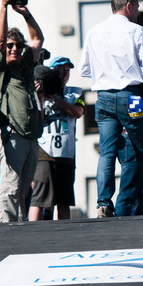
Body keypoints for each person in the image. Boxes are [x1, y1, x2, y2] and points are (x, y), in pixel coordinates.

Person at [79, 0, 143, 218]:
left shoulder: (94, 31)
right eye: (136, 7)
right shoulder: (137, 31)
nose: (137, 12)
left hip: (103, 97)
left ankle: (103, 202)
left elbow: (85, 68)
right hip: (131, 96)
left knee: (106, 153)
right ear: (128, 6)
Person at [0, 0, 44, 222]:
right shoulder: (1, 69)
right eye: (11, 46)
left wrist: (25, 13)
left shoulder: (25, 65)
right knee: (10, 184)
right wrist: (3, 8)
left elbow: (38, 39)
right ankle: (4, 229)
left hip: (31, 135)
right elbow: (0, 41)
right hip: (12, 133)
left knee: (23, 189)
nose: (14, 49)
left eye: (17, 46)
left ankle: (18, 230)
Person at [29, 57, 85, 220]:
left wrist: (55, 98)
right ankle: (33, 236)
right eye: (60, 70)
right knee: (39, 198)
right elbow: (37, 120)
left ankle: (65, 239)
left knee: (64, 200)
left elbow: (78, 112)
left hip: (67, 153)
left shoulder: (76, 92)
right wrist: (40, 96)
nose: (64, 74)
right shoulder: (39, 93)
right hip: (44, 151)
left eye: (67, 70)